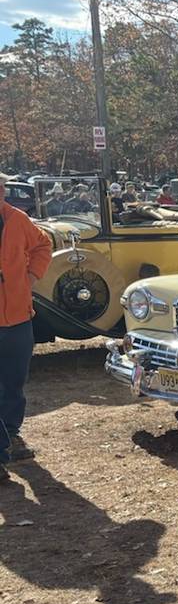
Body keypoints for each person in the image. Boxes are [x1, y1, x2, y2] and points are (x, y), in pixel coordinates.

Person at [0, 173, 53, 483]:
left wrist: (30, 277)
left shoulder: (17, 219)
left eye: (2, 188)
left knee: (14, 380)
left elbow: (43, 245)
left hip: (18, 316)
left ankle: (11, 434)